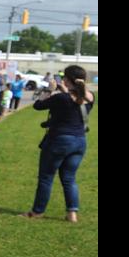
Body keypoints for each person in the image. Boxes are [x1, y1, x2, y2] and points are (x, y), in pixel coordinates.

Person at [22, 64, 93, 224]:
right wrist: (64, 90)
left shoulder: (61, 98)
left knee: (46, 177)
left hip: (59, 140)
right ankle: (72, 213)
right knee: (69, 178)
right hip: (79, 141)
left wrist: (49, 89)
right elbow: (75, 101)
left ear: (67, 80)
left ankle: (37, 212)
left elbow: (38, 105)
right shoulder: (90, 96)